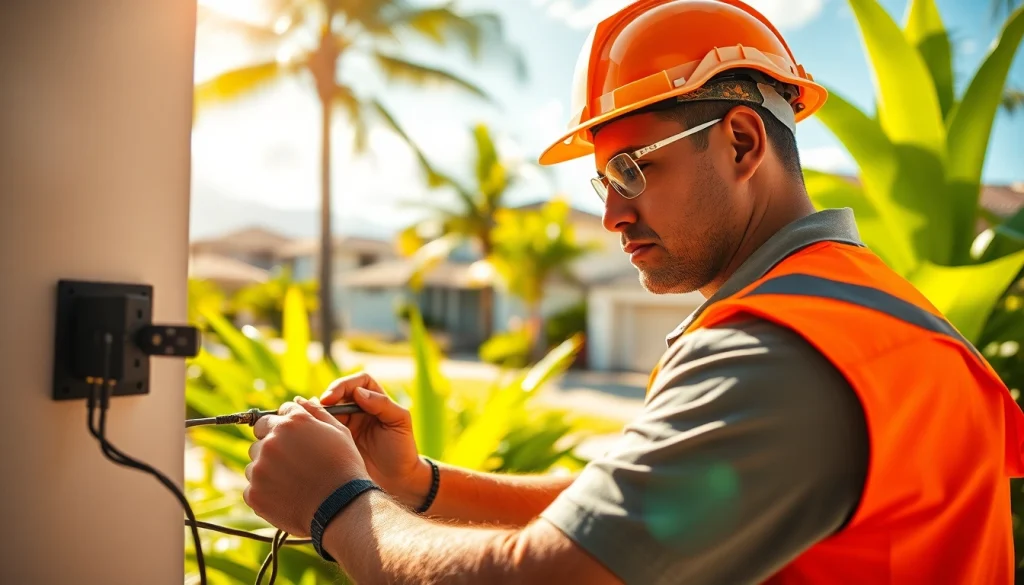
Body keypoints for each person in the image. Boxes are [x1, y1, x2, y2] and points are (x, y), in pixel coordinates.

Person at [242, 1, 1024, 583]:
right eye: (603, 179)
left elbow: (552, 574)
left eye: (631, 168)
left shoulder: (782, 351)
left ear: (743, 141)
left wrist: (336, 502)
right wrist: (418, 483)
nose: (611, 213)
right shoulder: (855, 309)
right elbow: (628, 502)